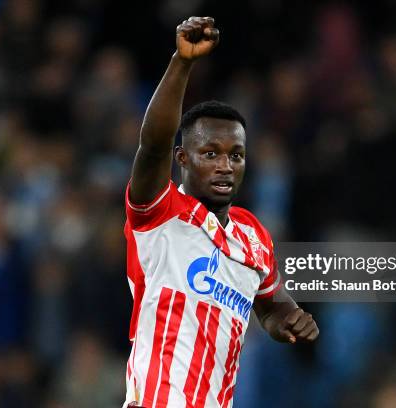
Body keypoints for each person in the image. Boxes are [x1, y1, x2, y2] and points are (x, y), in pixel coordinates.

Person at [123, 16, 319, 408]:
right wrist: (182, 62)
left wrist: (289, 320)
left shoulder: (253, 235)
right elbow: (154, 146)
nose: (225, 165)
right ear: (183, 158)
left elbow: (271, 306)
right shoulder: (160, 213)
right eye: (210, 153)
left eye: (236, 155)